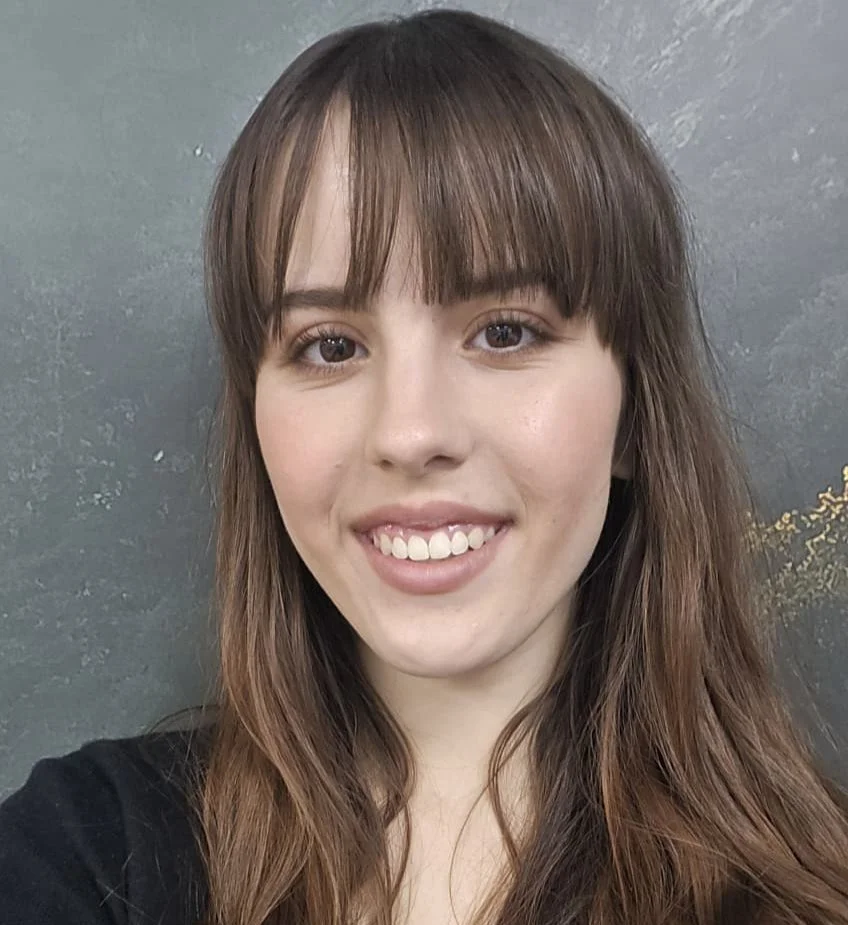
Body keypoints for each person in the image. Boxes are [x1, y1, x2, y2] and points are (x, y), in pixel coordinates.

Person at [2, 8, 847, 925]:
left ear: (636, 413)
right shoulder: (82, 852)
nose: (409, 432)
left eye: (506, 331)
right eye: (329, 346)